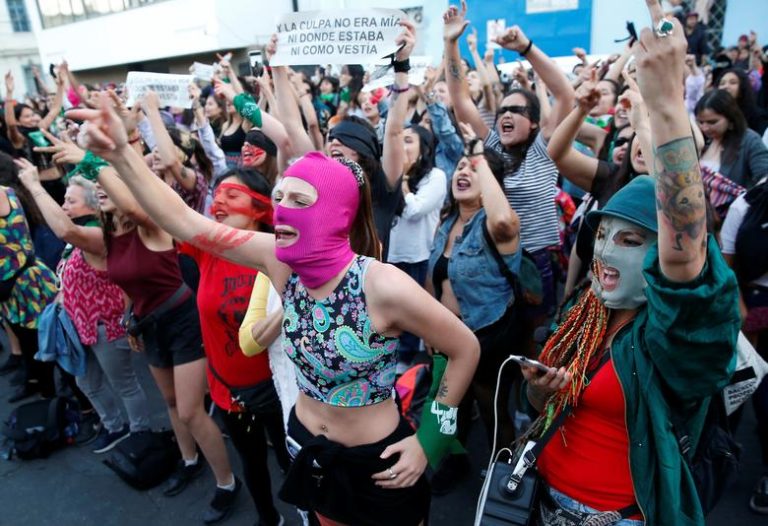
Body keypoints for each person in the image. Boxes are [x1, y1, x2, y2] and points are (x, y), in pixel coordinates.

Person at [71, 26, 479, 526]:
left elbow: (464, 349)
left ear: (335, 216)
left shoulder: (381, 284)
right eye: (280, 197)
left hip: (380, 465)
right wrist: (119, 155)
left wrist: (429, 441)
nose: (282, 210)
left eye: (300, 201)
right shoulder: (277, 259)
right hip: (307, 447)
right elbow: (186, 222)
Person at [520, 6, 740, 524]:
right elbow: (544, 408)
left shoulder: (673, 335)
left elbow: (684, 254)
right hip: (541, 502)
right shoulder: (587, 308)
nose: (605, 252)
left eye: (631, 240)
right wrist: (538, 391)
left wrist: (664, 104)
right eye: (603, 235)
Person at [70, 145, 239, 521]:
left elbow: (132, 209)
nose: (100, 191)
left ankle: (227, 483)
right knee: (171, 402)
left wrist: (92, 163)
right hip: (149, 324)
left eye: (106, 186)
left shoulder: (150, 222)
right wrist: (129, 319)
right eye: (97, 188)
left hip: (183, 320)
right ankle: (189, 460)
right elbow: (128, 285)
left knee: (192, 410)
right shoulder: (111, 234)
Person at [443, 0, 576, 318]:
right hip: (491, 260)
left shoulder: (544, 149)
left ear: (534, 123)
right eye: (502, 110)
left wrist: (526, 48)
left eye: (516, 110)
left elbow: (565, 94)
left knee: (533, 338)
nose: (505, 115)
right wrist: (451, 43)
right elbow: (461, 100)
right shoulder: (491, 148)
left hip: (534, 263)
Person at [177, 168, 287, 525]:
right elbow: (153, 211)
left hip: (280, 387)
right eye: (217, 194)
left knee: (291, 459)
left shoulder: (281, 253)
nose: (218, 202)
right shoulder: (208, 248)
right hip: (230, 390)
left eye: (232, 195)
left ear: (259, 208)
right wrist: (112, 158)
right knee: (252, 462)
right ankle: (268, 518)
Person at [17, 162, 151, 452]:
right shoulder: (83, 231)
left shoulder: (100, 235)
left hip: (106, 325)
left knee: (125, 383)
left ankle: (141, 433)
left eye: (70, 200)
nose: (64, 205)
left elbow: (64, 230)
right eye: (64, 199)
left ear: (93, 205)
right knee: (87, 382)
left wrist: (34, 185)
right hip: (78, 324)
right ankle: (115, 426)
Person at [427, 127, 521, 493]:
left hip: (487, 334)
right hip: (446, 333)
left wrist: (479, 154)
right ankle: (456, 461)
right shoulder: (447, 220)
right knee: (453, 403)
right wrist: (427, 326)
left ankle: (503, 472)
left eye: (474, 168)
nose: (463, 171)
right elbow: (433, 278)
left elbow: (503, 220)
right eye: (461, 166)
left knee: (491, 406)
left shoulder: (496, 227)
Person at [382, 58, 447, 369]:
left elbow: (414, 211)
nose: (402, 146)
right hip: (390, 257)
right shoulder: (390, 175)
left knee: (411, 319)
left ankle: (410, 369)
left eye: (409, 141)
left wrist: (404, 179)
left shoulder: (436, 177)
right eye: (401, 140)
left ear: (423, 149)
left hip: (417, 259)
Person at [719, 177, 768, 515]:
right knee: (733, 388)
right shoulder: (746, 204)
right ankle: (719, 458)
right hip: (746, 305)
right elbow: (726, 265)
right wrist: (740, 309)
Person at [0, 152, 58, 402]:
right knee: (29, 344)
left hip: (25, 282)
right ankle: (40, 387)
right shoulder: (10, 191)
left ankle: (61, 401)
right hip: (10, 284)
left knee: (43, 343)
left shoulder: (4, 193)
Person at [696, 89, 768, 188]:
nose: (705, 128)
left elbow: (764, 177)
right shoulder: (701, 141)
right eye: (701, 122)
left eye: (712, 122)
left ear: (730, 118)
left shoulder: (749, 141)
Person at [717, 68, 768, 135]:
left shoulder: (757, 117)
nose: (725, 86)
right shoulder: (714, 114)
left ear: (743, 87)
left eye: (733, 82)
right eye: (722, 83)